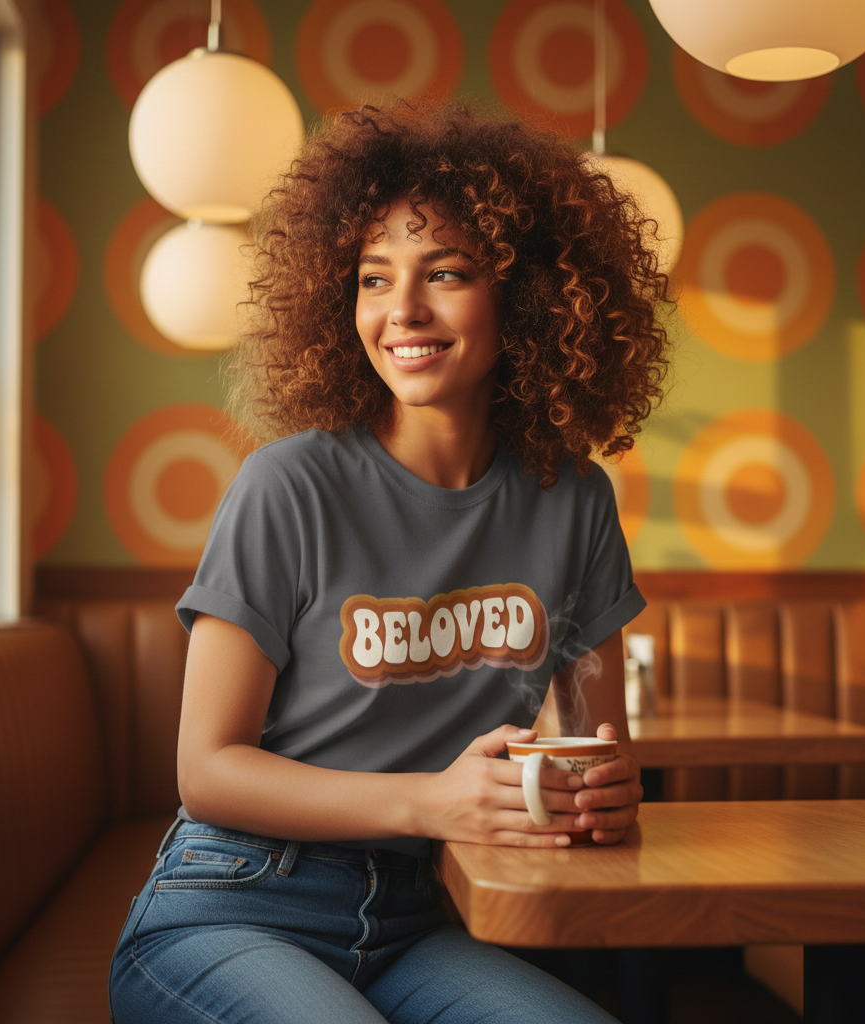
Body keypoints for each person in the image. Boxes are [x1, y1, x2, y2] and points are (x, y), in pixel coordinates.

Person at [108, 102, 669, 1024]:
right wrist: (431, 802)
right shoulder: (287, 485)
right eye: (374, 278)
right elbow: (206, 770)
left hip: (418, 921)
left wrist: (602, 795)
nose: (402, 310)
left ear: (526, 294)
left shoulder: (575, 501)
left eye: (444, 272)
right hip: (233, 903)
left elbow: (589, 747)